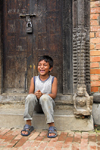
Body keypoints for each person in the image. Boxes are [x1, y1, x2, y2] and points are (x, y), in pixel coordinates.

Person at [21, 55, 57, 138]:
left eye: (45, 65)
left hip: (48, 105)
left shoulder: (53, 79)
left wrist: (42, 95)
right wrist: (36, 94)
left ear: (50, 68)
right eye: (39, 65)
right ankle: (28, 125)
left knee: (44, 98)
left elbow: (54, 95)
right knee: (30, 97)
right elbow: (30, 93)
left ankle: (51, 126)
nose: (41, 67)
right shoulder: (34, 79)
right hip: (36, 106)